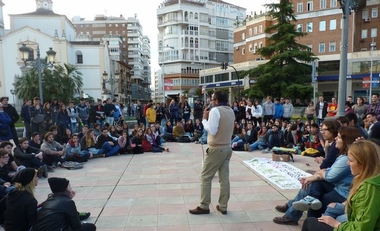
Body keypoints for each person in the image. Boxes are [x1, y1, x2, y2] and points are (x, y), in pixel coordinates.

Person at [272, 126, 358, 226]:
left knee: (314, 198)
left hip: (342, 192)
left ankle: (298, 213)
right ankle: (297, 209)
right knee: (312, 187)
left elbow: (329, 173)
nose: (335, 139)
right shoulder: (342, 153)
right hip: (338, 186)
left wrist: (318, 174)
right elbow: (328, 168)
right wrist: (316, 175)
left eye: (338, 137)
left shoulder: (346, 158)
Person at [301, 140, 380, 231]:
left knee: (310, 222)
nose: (348, 163)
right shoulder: (370, 180)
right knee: (325, 212)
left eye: (350, 160)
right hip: (352, 217)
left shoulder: (369, 188)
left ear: (363, 163)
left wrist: (337, 224)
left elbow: (362, 228)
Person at [189, 90, 234, 215]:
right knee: (224, 178)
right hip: (227, 147)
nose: (211, 102)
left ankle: (204, 205)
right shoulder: (231, 110)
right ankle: (223, 206)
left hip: (216, 148)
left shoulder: (215, 111)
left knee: (205, 177)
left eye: (213, 99)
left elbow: (212, 130)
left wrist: (204, 119)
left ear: (217, 101)